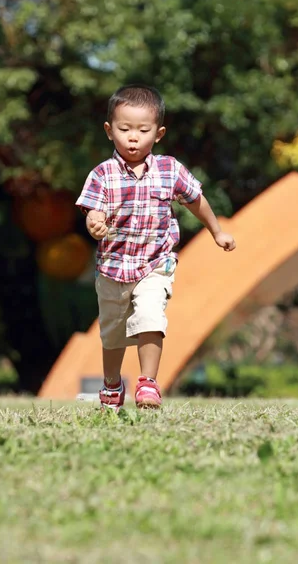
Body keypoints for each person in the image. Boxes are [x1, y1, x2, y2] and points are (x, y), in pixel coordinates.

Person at [76, 84, 236, 411]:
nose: (133, 137)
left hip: (155, 263)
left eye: (143, 130)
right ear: (109, 131)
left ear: (158, 133)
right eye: (124, 129)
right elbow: (93, 212)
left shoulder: (169, 171)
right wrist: (95, 222)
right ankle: (111, 384)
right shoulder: (102, 175)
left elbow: (196, 200)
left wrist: (217, 231)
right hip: (113, 268)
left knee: (151, 317)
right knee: (113, 335)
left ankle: (148, 382)